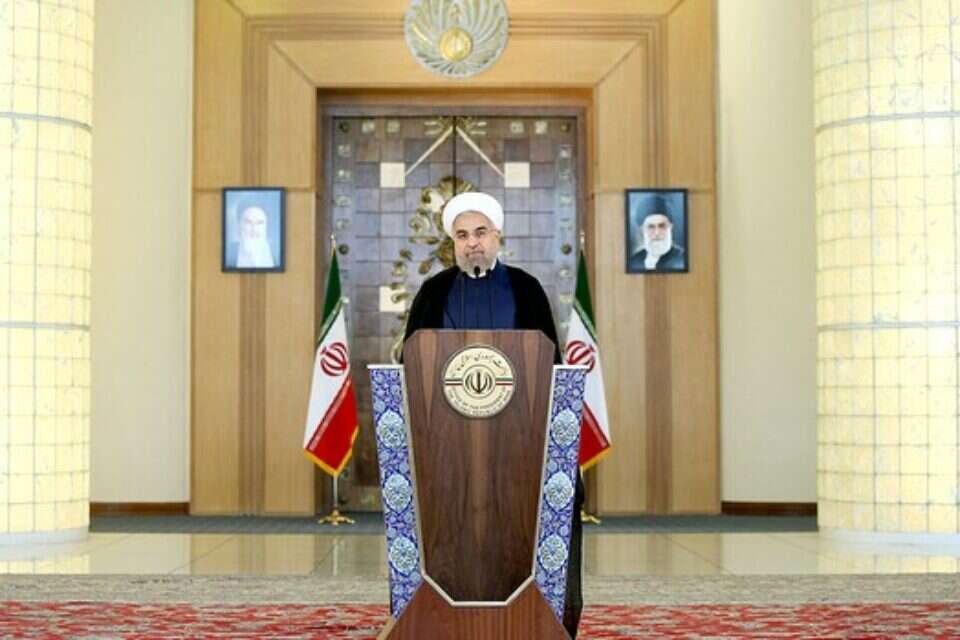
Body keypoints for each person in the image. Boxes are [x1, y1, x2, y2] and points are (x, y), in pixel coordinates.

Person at [402, 191, 583, 638]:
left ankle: (535, 615)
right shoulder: (434, 292)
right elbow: (412, 365)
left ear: (498, 235)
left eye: (480, 232)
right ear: (453, 243)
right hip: (447, 446)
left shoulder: (526, 289)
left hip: (518, 441)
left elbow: (550, 364)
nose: (472, 243)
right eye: (462, 235)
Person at [627, 194, 686, 272]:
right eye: (651, 227)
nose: (657, 233)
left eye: (662, 226)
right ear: (642, 229)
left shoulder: (682, 259)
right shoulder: (634, 261)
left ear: (671, 227)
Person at [226, 204, 275, 268]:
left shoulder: (276, 251)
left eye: (260, 223)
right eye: (248, 222)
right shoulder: (229, 251)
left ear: (267, 226)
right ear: (239, 225)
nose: (254, 229)